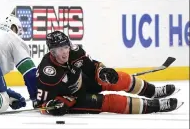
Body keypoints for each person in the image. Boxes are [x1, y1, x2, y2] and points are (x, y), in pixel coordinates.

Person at [35, 31, 183, 116]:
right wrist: (52, 106)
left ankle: (154, 91)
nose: (65, 52)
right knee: (111, 102)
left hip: (81, 81)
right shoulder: (47, 71)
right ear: (52, 52)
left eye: (66, 47)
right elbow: (41, 104)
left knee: (118, 78)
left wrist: (102, 71)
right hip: (72, 98)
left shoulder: (75, 51)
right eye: (60, 49)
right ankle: (155, 106)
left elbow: (93, 66)